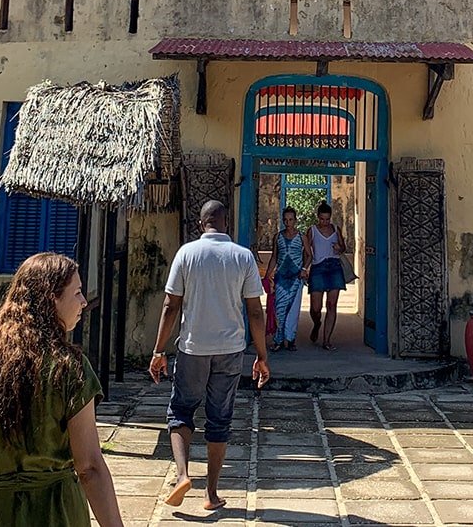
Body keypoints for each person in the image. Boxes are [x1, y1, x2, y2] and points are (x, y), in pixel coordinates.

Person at [0, 253, 124, 527]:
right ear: (51, 298)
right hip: (57, 514)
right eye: (76, 292)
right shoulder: (69, 368)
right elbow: (89, 467)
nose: (83, 302)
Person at [148, 200, 270, 511]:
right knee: (220, 419)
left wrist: (159, 350)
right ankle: (211, 494)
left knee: (181, 412)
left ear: (202, 224)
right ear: (226, 223)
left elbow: (170, 306)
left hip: (193, 349)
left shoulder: (187, 254)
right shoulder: (242, 257)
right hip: (230, 351)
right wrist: (262, 355)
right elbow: (255, 312)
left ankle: (182, 475)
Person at [263, 206, 308, 351]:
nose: (288, 223)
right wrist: (268, 274)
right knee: (280, 309)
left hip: (296, 278)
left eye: (291, 220)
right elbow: (274, 257)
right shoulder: (278, 237)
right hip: (281, 277)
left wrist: (304, 269)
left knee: (293, 311)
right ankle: (279, 340)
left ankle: (291, 339)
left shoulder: (302, 237)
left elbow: (309, 255)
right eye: (286, 220)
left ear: (295, 220)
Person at [304, 201, 347, 351]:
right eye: (322, 219)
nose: (325, 222)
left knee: (331, 305)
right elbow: (307, 252)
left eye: (327, 219)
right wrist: (304, 268)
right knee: (316, 308)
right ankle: (317, 323)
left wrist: (339, 248)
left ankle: (326, 340)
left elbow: (343, 248)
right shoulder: (312, 231)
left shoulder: (336, 229)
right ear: (318, 217)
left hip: (334, 267)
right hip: (318, 268)